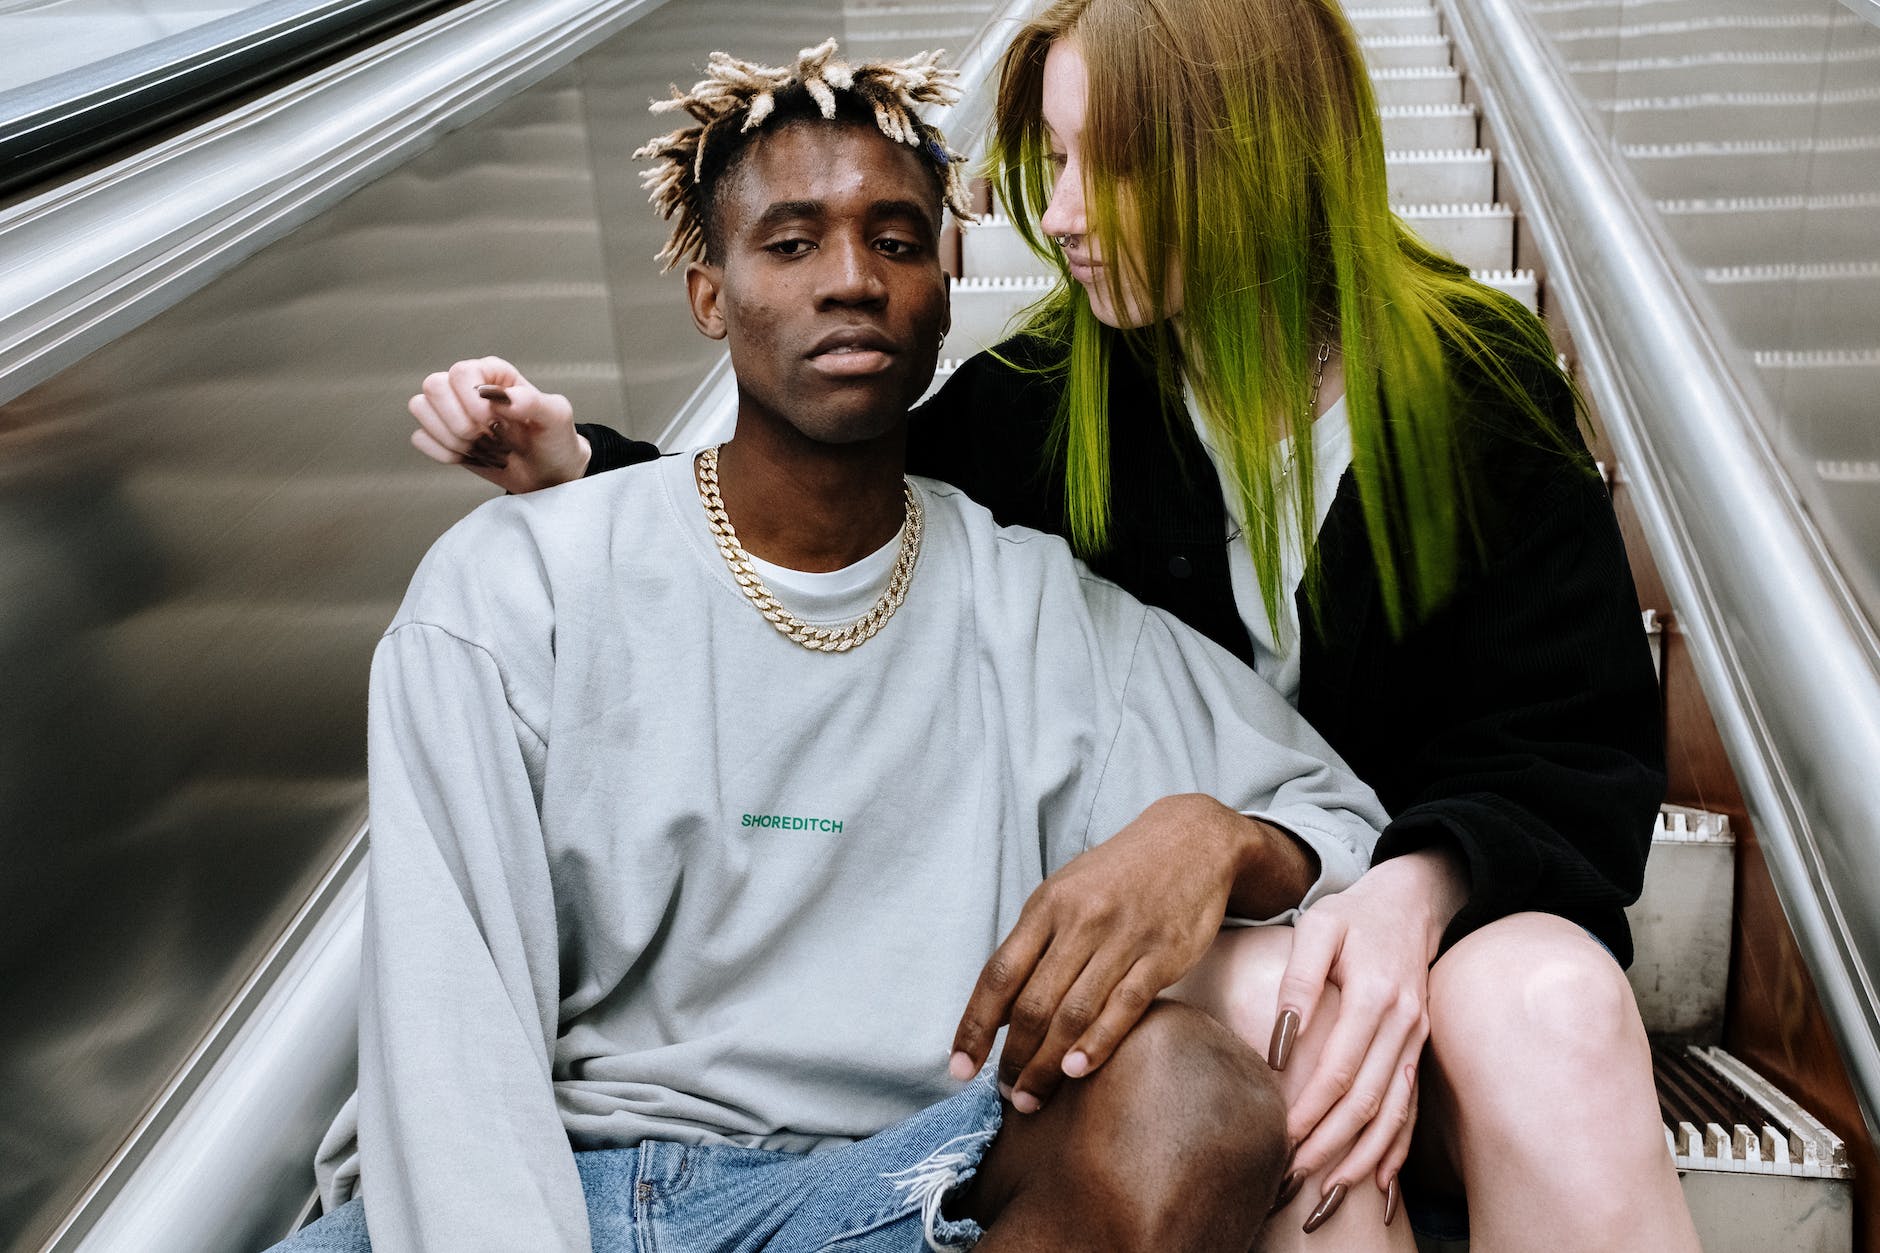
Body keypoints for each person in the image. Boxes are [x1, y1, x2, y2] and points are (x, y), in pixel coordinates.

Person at [413, 4, 1703, 1249]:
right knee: (1279, 1012)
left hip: (1443, 912)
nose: (1066, 216)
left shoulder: (1471, 378)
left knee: (1553, 999)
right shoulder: (1046, 395)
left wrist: (1413, 893)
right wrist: (587, 466)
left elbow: (1578, 743)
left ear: (1247, 158)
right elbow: (834, 500)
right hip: (1224, 954)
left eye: (1116, 165)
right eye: (1057, 161)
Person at [274, 45, 1395, 1253]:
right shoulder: (515, 586)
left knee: (1191, 1092)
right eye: (793, 242)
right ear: (710, 292)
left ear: (945, 285)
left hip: (888, 1193)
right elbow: (449, 1029)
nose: (852, 279)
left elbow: (1330, 803)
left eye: (898, 240)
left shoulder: (1028, 603)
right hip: (558, 1179)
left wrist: (1213, 833)